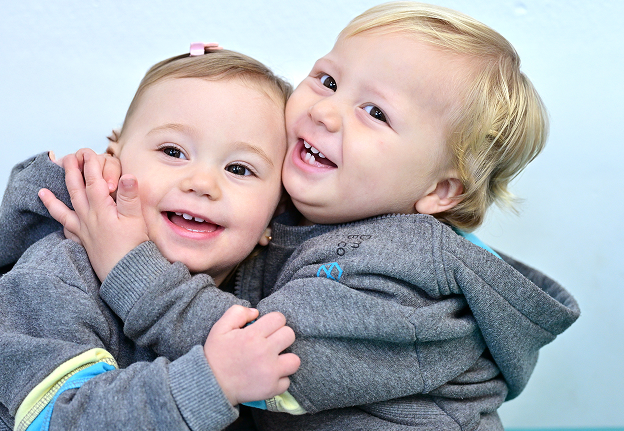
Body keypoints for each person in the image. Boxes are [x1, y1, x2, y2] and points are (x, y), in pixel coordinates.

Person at [42, 3, 581, 430]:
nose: (324, 110)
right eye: (327, 80)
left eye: (375, 113)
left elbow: (268, 361)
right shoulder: (318, 207)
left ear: (439, 189)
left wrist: (128, 266)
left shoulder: (403, 272)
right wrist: (225, 99)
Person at [0, 47, 301, 431]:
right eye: (173, 151)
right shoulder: (56, 275)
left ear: (276, 212)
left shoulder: (259, 292)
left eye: (240, 169)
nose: (202, 183)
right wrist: (212, 384)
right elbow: (59, 421)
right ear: (114, 159)